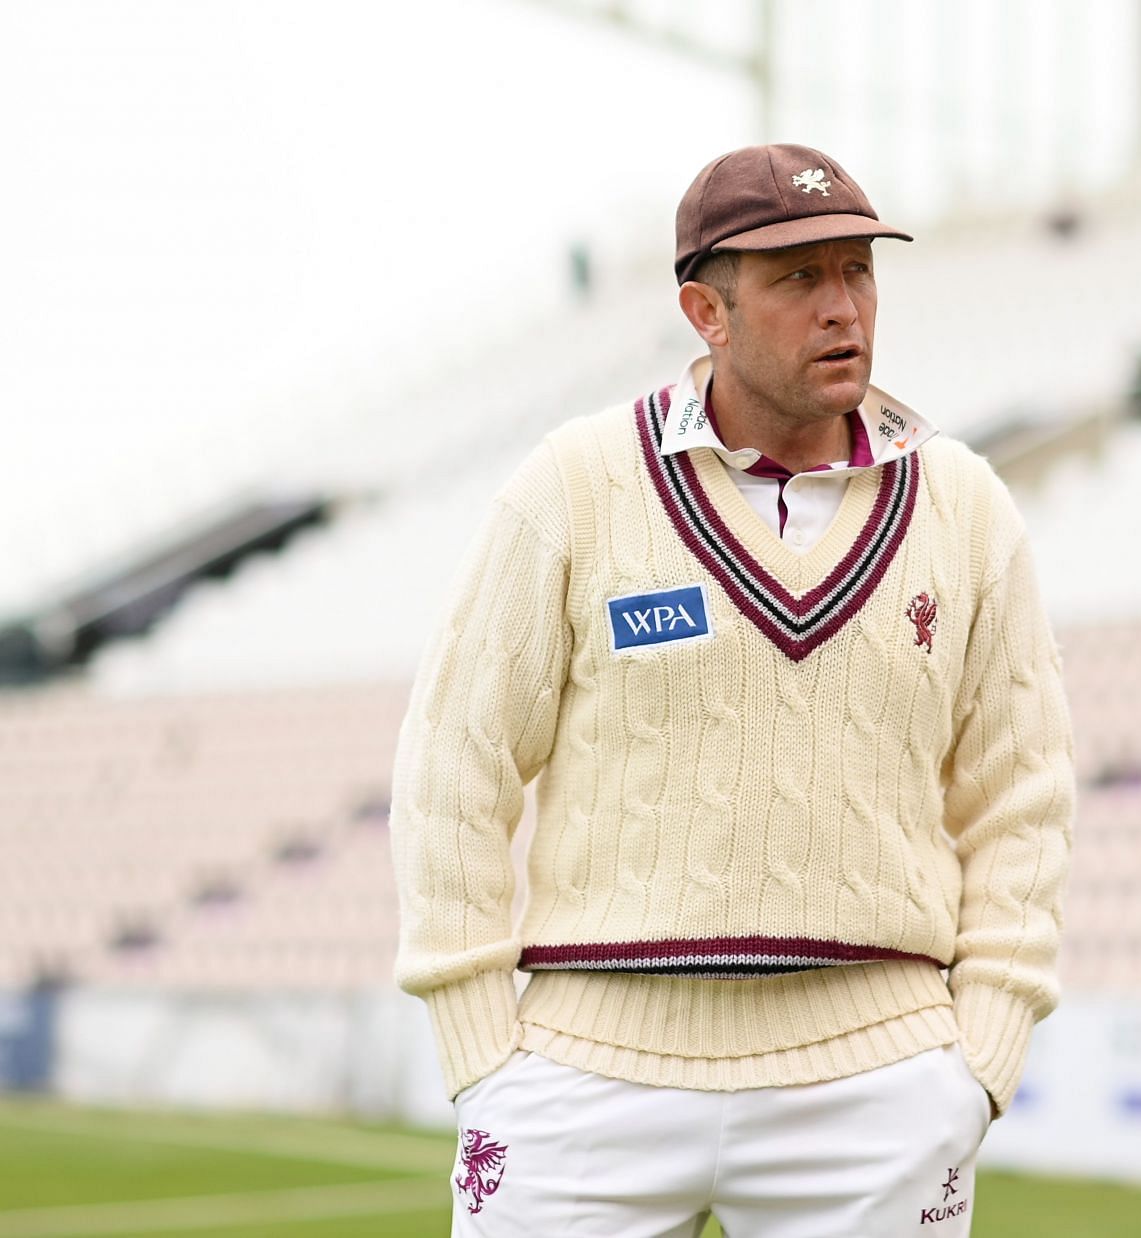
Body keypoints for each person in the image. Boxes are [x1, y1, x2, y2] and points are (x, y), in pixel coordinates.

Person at [388, 142, 1077, 1236]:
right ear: (706, 310)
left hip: (878, 1088)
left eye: (856, 269)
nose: (843, 306)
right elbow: (452, 765)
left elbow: (1022, 798)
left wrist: (979, 1058)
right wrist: (483, 1050)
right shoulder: (573, 484)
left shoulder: (966, 504)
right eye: (799, 278)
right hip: (583, 1073)